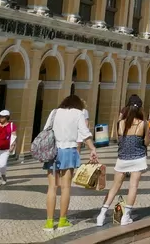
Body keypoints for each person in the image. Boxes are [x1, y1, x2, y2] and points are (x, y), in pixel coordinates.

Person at [42, 94, 99, 231]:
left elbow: (45, 130)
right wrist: (92, 148)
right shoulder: (78, 113)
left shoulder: (54, 112)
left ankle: (49, 223)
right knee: (66, 187)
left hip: (53, 151)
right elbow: (85, 133)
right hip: (68, 150)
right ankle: (62, 221)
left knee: (52, 187)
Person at [97, 96, 150, 227]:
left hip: (122, 158)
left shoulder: (120, 123)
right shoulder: (143, 124)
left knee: (115, 187)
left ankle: (101, 215)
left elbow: (119, 140)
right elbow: (146, 142)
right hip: (138, 158)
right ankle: (125, 217)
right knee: (133, 186)